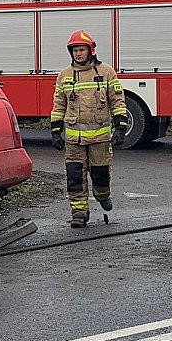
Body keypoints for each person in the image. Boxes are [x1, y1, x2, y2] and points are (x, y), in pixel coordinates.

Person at [50, 30, 128, 228]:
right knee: (75, 177)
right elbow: (59, 105)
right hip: (74, 140)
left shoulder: (106, 72)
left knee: (100, 176)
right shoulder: (65, 76)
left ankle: (102, 196)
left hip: (100, 138)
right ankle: (79, 213)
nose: (78, 54)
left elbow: (117, 101)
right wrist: (56, 131)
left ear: (90, 51)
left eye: (81, 50)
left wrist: (120, 127)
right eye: (75, 50)